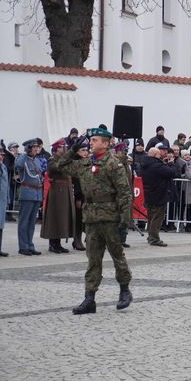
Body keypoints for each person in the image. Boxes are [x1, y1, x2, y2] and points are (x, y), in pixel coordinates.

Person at [51, 127, 134, 314]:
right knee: (93, 259)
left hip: (110, 217)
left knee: (117, 256)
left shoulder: (113, 164)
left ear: (105, 143)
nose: (91, 143)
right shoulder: (85, 163)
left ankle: (124, 291)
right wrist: (72, 149)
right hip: (91, 218)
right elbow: (60, 166)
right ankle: (90, 299)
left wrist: (124, 219)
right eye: (91, 140)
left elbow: (124, 193)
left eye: (95, 140)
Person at [40, 139, 75, 253]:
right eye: (61, 147)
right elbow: (58, 167)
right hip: (57, 192)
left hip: (64, 192)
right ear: (56, 149)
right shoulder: (51, 160)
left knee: (62, 219)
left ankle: (58, 243)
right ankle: (53, 244)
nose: (64, 149)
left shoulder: (63, 159)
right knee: (55, 218)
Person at [141, 147, 179, 246]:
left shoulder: (146, 164)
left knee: (151, 217)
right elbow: (172, 173)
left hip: (150, 194)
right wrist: (171, 163)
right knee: (157, 217)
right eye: (158, 154)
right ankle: (154, 238)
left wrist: (164, 163)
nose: (161, 156)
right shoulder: (156, 165)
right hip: (158, 195)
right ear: (154, 155)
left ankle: (151, 236)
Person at [15, 139, 44, 255]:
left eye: (37, 147)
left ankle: (30, 245)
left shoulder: (36, 160)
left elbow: (39, 175)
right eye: (34, 147)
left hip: (36, 194)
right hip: (27, 194)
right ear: (28, 148)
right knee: (24, 221)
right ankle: (23, 246)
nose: (37, 149)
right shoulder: (22, 159)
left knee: (32, 222)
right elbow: (18, 165)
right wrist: (25, 153)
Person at [0, 147, 9, 256]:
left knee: (1, 224)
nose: (2, 156)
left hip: (2, 200)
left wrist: (7, 198)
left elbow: (5, 185)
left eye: (2, 154)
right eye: (0, 154)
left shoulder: (3, 167)